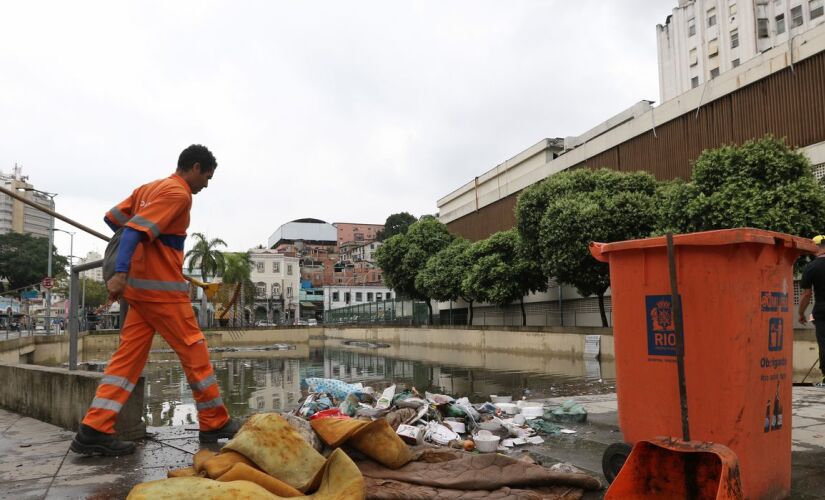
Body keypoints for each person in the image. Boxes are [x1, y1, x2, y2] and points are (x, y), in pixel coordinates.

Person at [71, 145, 240, 456]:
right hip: (160, 291)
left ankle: (94, 429)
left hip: (140, 293)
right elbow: (133, 231)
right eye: (207, 177)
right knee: (194, 347)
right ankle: (214, 420)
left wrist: (151, 240)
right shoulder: (178, 193)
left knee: (127, 360)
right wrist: (121, 270)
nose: (206, 184)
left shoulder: (148, 188)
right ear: (196, 167)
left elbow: (115, 220)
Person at [798, 234, 825, 387]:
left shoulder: (812, 267)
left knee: (824, 342)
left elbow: (807, 294)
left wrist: (801, 313)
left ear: (815, 247)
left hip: (822, 311)